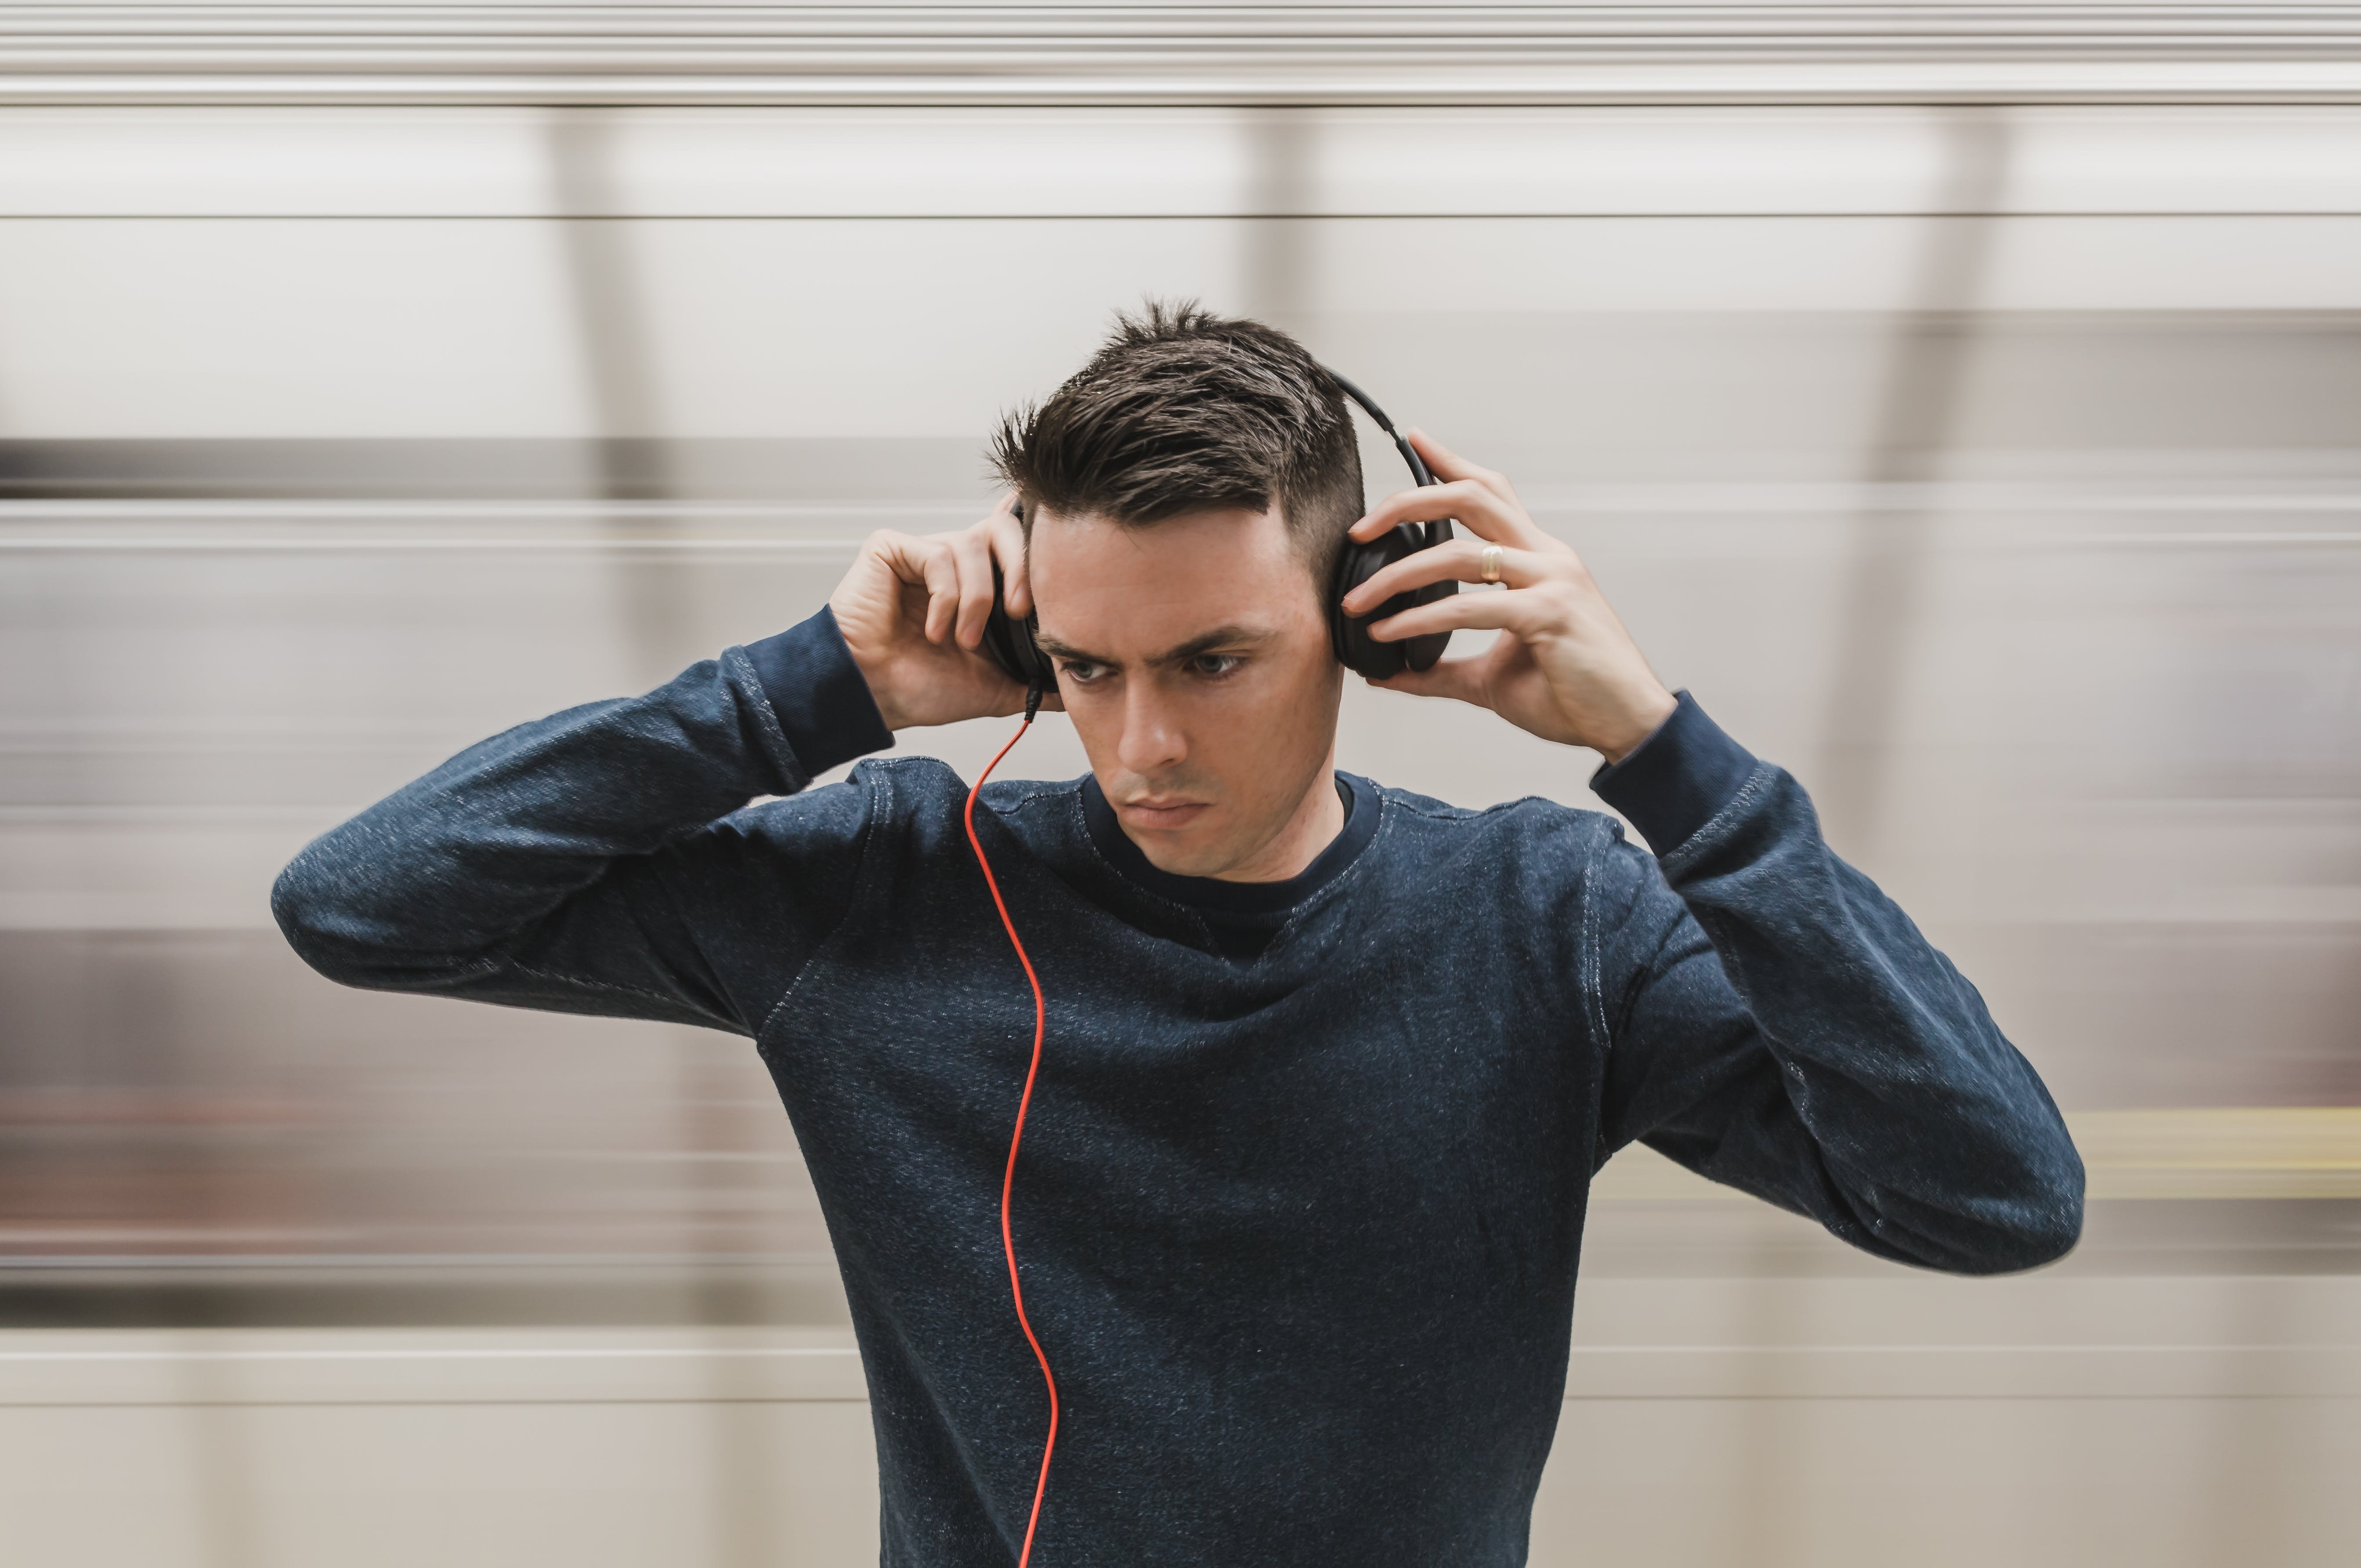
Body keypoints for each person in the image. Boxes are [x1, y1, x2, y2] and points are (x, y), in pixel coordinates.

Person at [273, 302, 2083, 1568]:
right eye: (1083, 665)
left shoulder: (1553, 918)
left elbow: (1991, 1193)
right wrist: (805, 687)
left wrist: (1662, 754)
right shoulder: (891, 879)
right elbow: (362, 900)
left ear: (1372, 619)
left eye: (1214, 659)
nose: (1139, 742)